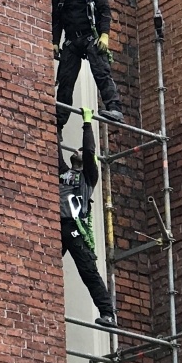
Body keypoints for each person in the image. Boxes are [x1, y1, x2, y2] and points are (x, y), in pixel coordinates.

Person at [53, 0, 123, 128]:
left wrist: (104, 35)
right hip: (71, 41)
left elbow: (104, 10)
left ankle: (114, 107)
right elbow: (56, 19)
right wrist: (54, 42)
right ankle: (58, 123)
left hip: (91, 36)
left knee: (101, 71)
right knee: (65, 81)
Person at [61, 115, 114, 322]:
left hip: (76, 229)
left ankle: (107, 314)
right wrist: (56, 124)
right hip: (57, 227)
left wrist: (87, 124)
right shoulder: (64, 172)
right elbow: (54, 150)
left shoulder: (88, 177)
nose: (78, 151)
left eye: (80, 151)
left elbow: (90, 152)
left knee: (88, 271)